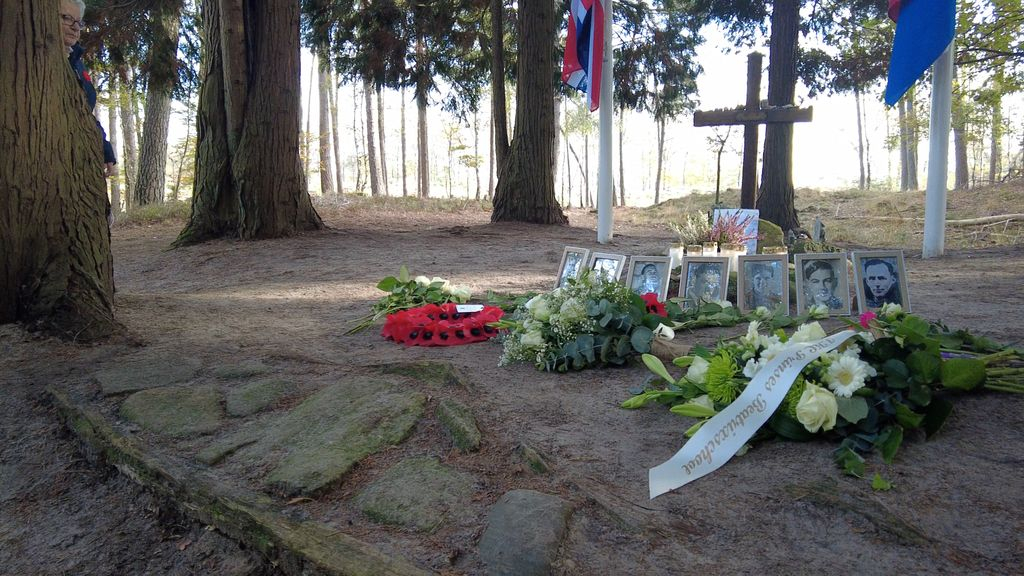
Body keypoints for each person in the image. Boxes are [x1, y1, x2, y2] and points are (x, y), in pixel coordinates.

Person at [62, 0, 117, 177]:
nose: (75, 27)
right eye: (66, 18)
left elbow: (85, 112)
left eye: (79, 22)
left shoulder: (77, 62)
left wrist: (104, 148)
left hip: (80, 162)